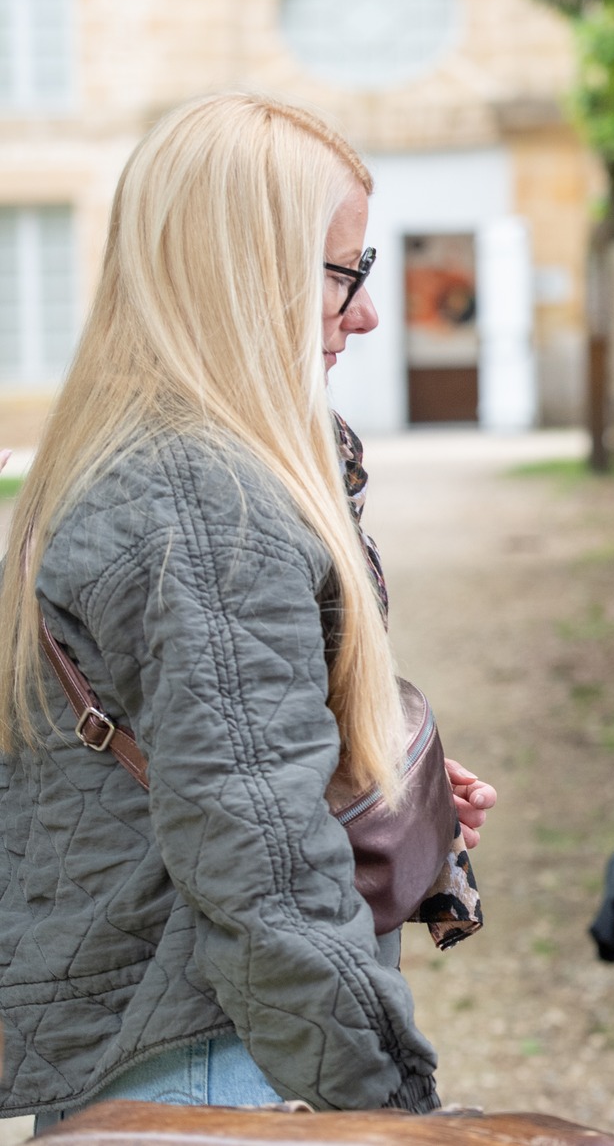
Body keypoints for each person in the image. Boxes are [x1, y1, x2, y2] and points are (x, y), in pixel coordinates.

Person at [0, 94, 496, 1124]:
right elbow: (262, 873)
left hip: (176, 1047)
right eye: (344, 273)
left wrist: (352, 764)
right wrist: (391, 1113)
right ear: (246, 269)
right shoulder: (203, 501)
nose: (365, 312)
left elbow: (171, 768)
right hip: (215, 1065)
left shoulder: (136, 462)